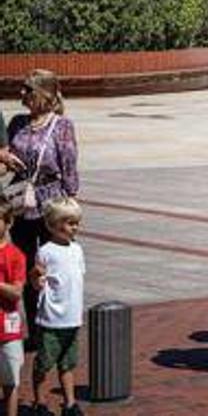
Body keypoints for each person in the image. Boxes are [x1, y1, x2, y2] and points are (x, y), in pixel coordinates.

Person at [6, 70, 79, 353]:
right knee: (24, 268)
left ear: (43, 95)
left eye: (27, 89)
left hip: (51, 205)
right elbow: (6, 155)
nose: (21, 94)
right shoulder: (17, 123)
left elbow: (69, 163)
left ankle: (55, 326)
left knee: (52, 266)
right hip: (22, 204)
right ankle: (36, 333)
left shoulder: (62, 126)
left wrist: (71, 200)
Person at [30, 198, 85, 416]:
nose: (75, 227)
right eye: (70, 223)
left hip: (72, 318)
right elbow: (36, 282)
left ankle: (69, 403)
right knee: (44, 363)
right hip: (52, 318)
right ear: (53, 225)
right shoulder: (46, 251)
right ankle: (40, 402)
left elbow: (77, 280)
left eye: (77, 223)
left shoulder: (77, 249)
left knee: (68, 363)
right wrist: (36, 278)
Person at [0, 202, 25, 416]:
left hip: (8, 330)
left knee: (11, 382)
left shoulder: (15, 255)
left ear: (8, 222)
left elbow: (16, 292)